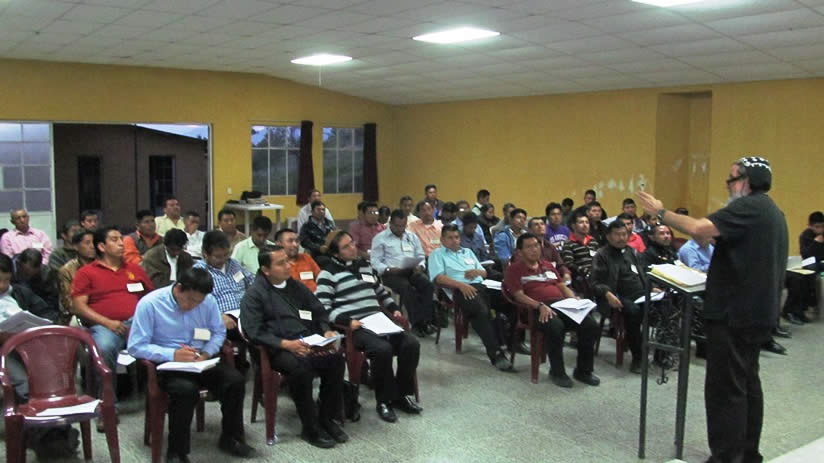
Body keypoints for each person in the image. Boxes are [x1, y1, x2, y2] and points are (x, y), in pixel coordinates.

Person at [637, 156, 788, 463]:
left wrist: (661, 213)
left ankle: (726, 457)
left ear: (746, 181)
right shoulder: (772, 211)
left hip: (734, 313)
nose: (728, 185)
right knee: (747, 383)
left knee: (726, 389)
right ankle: (747, 454)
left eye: (732, 178)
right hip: (755, 312)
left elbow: (699, 229)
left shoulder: (748, 207)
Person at [128, 267, 256, 462]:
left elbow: (218, 332)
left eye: (199, 302)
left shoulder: (208, 301)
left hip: (200, 360)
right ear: (179, 288)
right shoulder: (150, 304)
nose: (193, 306)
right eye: (190, 300)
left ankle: (231, 438)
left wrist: (206, 353)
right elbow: (136, 346)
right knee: (185, 390)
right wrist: (172, 354)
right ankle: (177, 451)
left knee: (235, 381)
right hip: (168, 365)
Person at [240, 245, 347, 449]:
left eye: (287, 261)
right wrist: (286, 345)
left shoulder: (295, 286)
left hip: (306, 340)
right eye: (281, 263)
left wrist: (326, 330)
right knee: (301, 369)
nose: (288, 265)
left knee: (336, 361)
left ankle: (326, 417)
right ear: (266, 270)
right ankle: (310, 427)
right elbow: (254, 332)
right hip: (277, 348)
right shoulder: (254, 294)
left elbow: (318, 311)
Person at [316, 231, 422, 422]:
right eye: (346, 246)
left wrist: (394, 308)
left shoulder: (364, 266)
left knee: (411, 344)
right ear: (336, 253)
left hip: (378, 320)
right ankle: (384, 400)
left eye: (352, 243)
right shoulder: (328, 273)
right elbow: (323, 308)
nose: (353, 248)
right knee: (382, 349)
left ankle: (401, 395)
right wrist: (347, 321)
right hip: (355, 327)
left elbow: (381, 292)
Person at [71, 226, 154, 421]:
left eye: (121, 239)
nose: (121, 244)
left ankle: (164, 397)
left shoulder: (134, 269)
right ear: (101, 246)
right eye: (115, 240)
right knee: (104, 348)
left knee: (167, 340)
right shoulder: (87, 272)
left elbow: (151, 297)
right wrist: (108, 323)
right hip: (104, 325)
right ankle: (108, 407)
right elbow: (78, 307)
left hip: (137, 323)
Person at [0, 253, 76, 459]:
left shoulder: (20, 293)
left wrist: (36, 325)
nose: (2, 285)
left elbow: (48, 313)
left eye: (6, 280)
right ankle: (49, 438)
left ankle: (58, 431)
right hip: (4, 353)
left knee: (51, 380)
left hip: (29, 347)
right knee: (24, 384)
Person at [504, 233, 599, 388]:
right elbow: (518, 295)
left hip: (561, 305)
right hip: (535, 309)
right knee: (556, 326)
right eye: (529, 247)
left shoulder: (547, 265)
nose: (534, 249)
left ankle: (583, 371)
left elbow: (562, 286)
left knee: (589, 324)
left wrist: (574, 300)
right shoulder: (514, 269)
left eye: (536, 245)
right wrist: (539, 305)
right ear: (519, 252)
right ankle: (557, 372)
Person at [428, 225, 514, 371]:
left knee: (511, 301)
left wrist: (477, 272)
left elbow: (484, 272)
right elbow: (439, 278)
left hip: (482, 286)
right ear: (442, 240)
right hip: (459, 289)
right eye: (450, 238)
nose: (454, 241)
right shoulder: (437, 254)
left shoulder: (467, 252)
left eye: (456, 237)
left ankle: (513, 342)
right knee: (481, 311)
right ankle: (496, 354)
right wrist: (461, 285)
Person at [589, 220, 647, 374]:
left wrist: (651, 286)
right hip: (615, 296)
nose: (621, 238)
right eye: (617, 235)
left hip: (640, 293)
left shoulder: (631, 252)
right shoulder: (602, 255)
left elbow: (642, 273)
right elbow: (594, 283)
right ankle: (638, 358)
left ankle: (662, 354)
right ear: (608, 236)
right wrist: (607, 293)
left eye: (624, 234)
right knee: (634, 312)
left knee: (666, 305)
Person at [370, 210, 435, 337]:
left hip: (411, 270)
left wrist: (420, 266)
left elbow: (420, 255)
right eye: (397, 226)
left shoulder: (411, 236)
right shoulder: (380, 238)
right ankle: (417, 323)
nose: (400, 229)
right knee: (406, 288)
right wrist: (388, 269)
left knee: (427, 284)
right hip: (391, 274)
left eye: (403, 226)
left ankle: (427, 321)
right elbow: (375, 262)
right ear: (391, 223)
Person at [193, 231, 254, 335]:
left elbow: (252, 281)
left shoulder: (233, 264)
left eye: (226, 254)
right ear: (205, 253)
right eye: (217, 256)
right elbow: (196, 303)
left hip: (246, 314)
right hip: (221, 320)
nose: (223, 260)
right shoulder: (198, 271)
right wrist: (218, 316)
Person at [57, 229, 96, 324]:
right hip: (78, 314)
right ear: (75, 246)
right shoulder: (67, 270)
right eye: (87, 243)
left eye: (94, 242)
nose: (92, 246)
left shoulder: (103, 265)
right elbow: (69, 303)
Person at [520, 217, 572, 284]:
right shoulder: (526, 247)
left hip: (555, 279)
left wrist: (566, 273)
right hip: (536, 279)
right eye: (536, 224)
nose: (540, 226)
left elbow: (560, 264)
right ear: (530, 230)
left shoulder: (550, 247)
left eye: (542, 224)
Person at [560, 210, 600, 295]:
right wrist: (584, 270)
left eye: (587, 222)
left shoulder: (593, 241)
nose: (585, 225)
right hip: (582, 277)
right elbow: (569, 264)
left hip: (597, 274)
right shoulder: (569, 243)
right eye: (581, 222)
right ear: (574, 226)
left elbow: (600, 259)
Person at [13, 248, 59, 312]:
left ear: (39, 268)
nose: (26, 277)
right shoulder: (11, 270)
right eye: (24, 272)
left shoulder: (47, 275)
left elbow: (52, 301)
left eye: (28, 274)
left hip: (39, 308)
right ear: (19, 264)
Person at [276, 228, 321, 292]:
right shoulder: (276, 264)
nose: (295, 245)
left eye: (297, 241)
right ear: (279, 244)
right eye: (290, 241)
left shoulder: (306, 258)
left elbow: (320, 278)